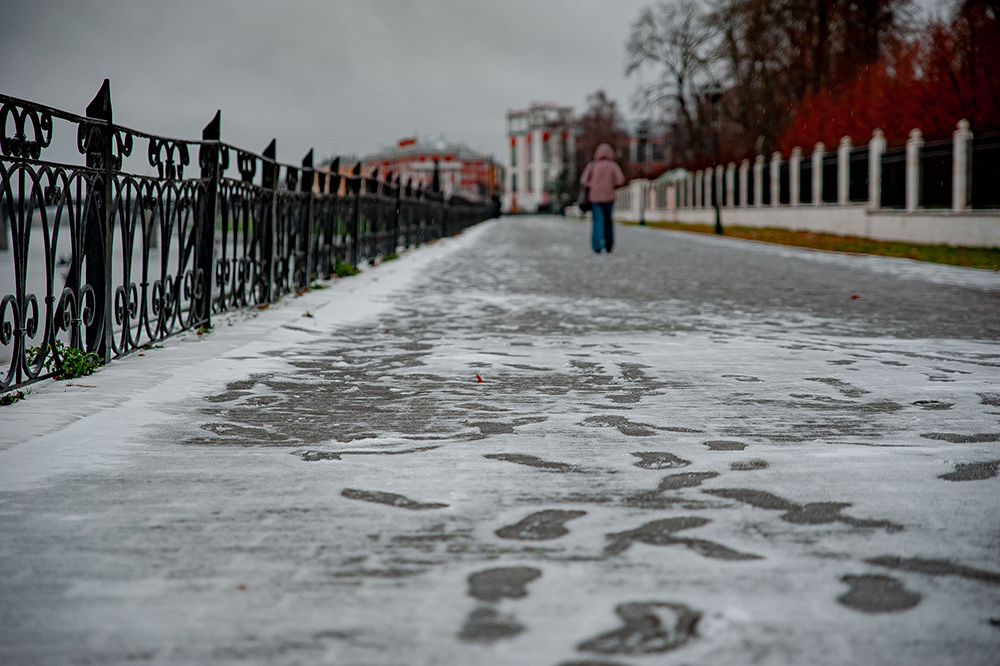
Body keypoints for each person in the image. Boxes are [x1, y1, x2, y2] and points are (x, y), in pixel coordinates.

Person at [579, 143, 625, 253]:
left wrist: (592, 185)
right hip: (609, 198)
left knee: (597, 221)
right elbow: (620, 180)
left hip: (595, 198)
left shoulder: (592, 165)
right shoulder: (613, 165)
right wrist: (610, 184)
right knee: (608, 221)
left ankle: (597, 246)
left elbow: (583, 180)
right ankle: (609, 245)